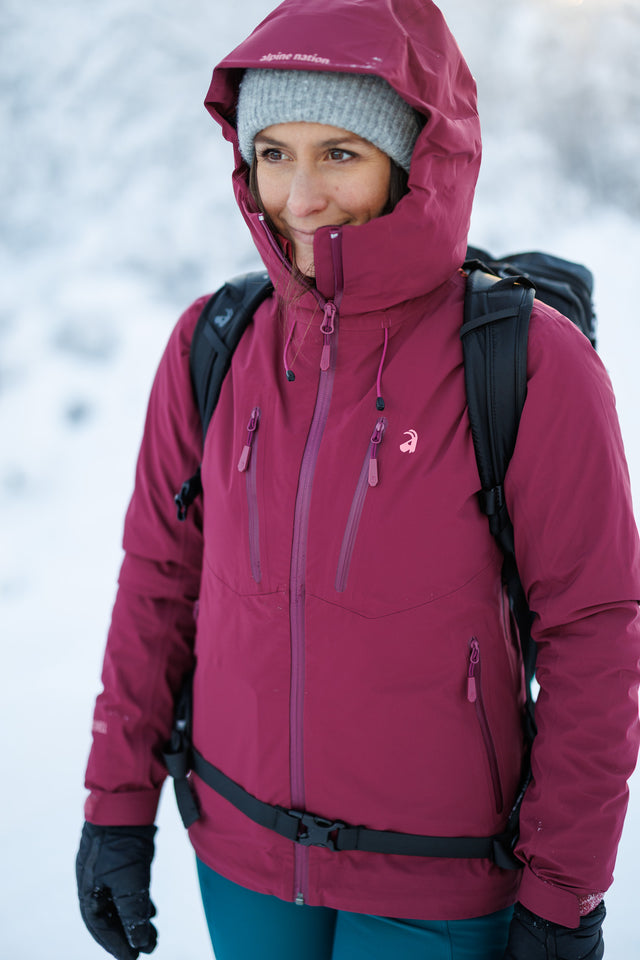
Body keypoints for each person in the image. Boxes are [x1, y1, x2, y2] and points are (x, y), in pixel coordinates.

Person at [76, 1, 640, 958]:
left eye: (339, 153)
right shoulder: (212, 345)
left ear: (414, 159)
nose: (300, 196)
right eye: (274, 153)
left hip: (440, 880)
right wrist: (115, 806)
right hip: (243, 859)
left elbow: (594, 635)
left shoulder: (529, 363)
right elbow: (158, 583)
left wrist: (564, 892)